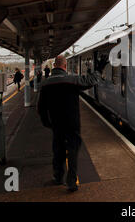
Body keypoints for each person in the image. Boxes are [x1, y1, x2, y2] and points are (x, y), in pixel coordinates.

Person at [37, 55, 98, 192]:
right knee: (73, 151)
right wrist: (97, 70)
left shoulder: (46, 83)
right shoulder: (72, 80)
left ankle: (58, 177)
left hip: (56, 124)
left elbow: (40, 108)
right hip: (72, 123)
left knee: (57, 150)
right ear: (65, 66)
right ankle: (71, 181)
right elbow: (90, 81)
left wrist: (47, 122)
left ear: (54, 66)